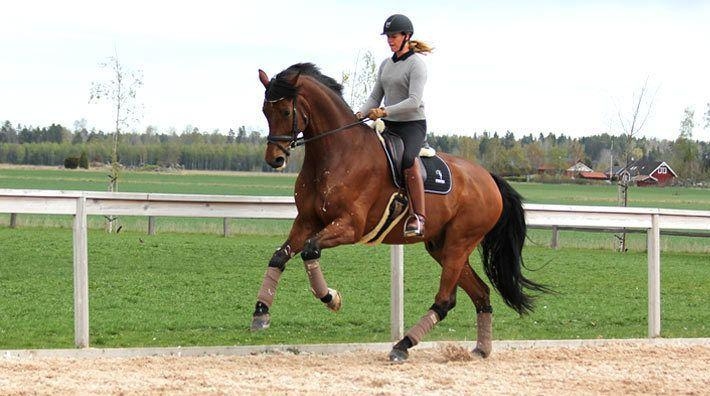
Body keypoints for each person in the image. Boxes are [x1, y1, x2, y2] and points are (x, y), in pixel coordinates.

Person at [356, 14, 433, 238]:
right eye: (388, 37)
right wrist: (360, 114)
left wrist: (384, 111)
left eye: (394, 36)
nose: (390, 40)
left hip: (412, 125)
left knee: (408, 159)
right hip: (389, 125)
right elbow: (375, 96)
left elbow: (414, 101)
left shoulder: (417, 65)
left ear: (407, 37)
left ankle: (419, 216)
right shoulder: (385, 65)